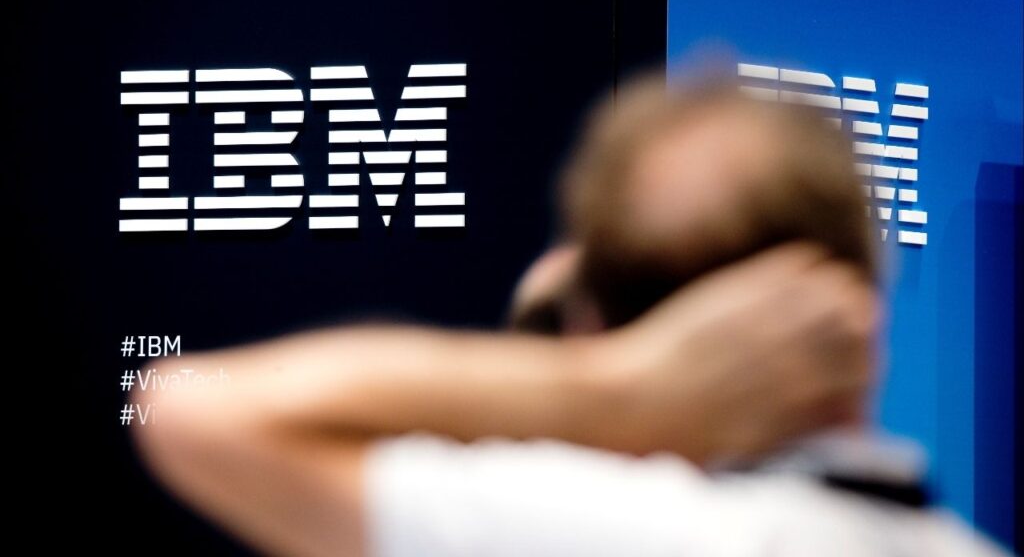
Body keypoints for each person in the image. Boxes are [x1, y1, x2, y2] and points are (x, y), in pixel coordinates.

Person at [131, 77, 1005, 556]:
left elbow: (196, 411)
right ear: (865, 309)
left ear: (600, 322)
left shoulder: (611, 534)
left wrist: (616, 391)